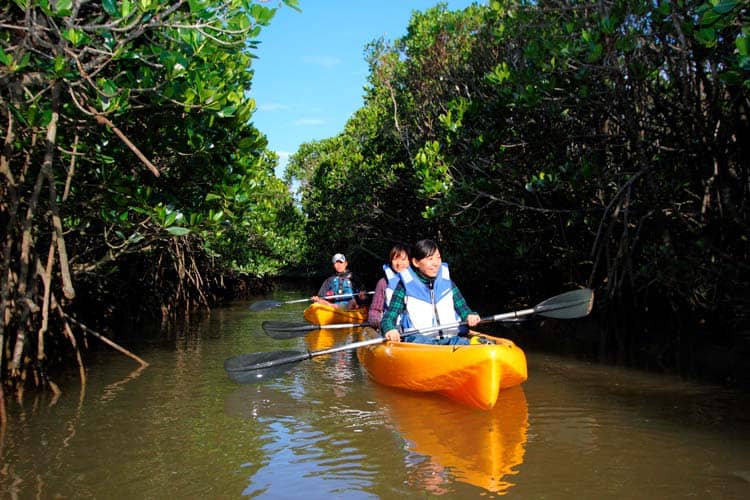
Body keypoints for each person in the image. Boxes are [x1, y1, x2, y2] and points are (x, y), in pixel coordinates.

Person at [380, 239, 480, 344]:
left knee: (462, 342)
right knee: (421, 341)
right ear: (415, 262)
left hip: (450, 338)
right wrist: (390, 329)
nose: (436, 263)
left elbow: (463, 309)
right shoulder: (404, 286)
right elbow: (388, 318)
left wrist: (469, 315)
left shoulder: (446, 281)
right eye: (430, 259)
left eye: (438, 258)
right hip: (419, 342)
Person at [368, 243, 410, 329]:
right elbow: (374, 311)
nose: (399, 263)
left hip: (415, 330)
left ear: (410, 261)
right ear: (391, 261)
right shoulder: (383, 283)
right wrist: (381, 324)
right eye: (395, 259)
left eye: (403, 259)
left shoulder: (419, 281)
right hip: (392, 329)